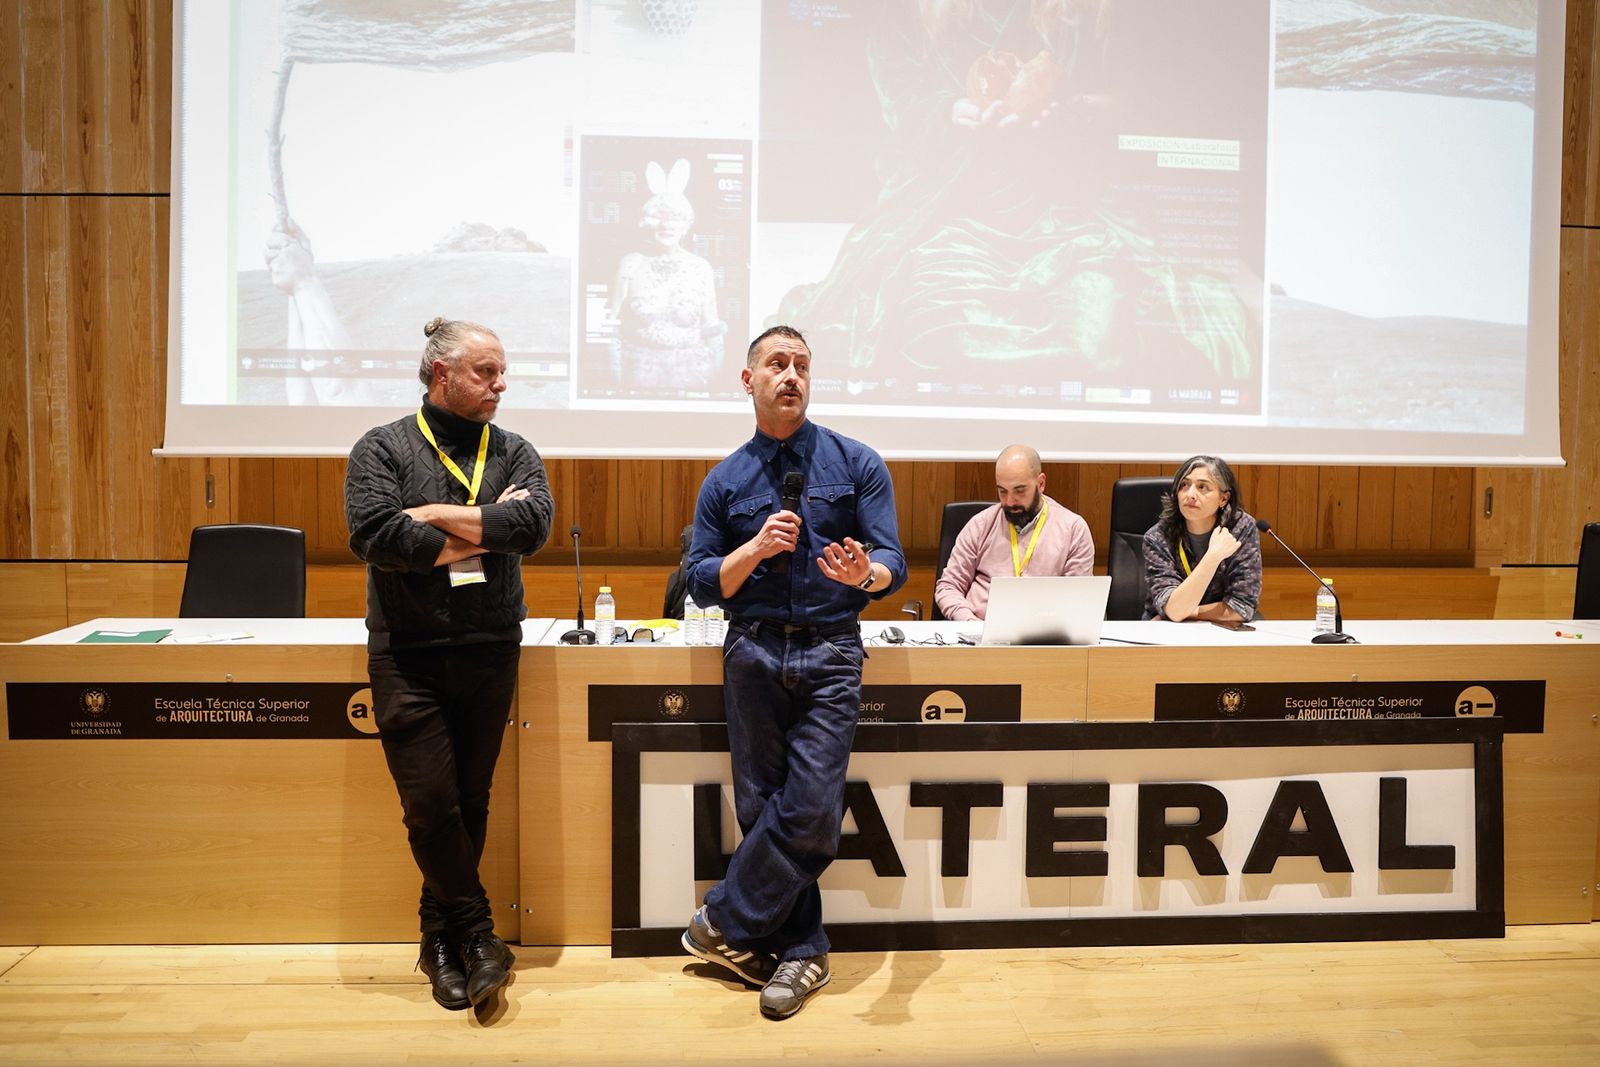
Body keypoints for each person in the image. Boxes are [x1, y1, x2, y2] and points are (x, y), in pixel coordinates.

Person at [681, 325, 906, 1020]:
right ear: (748, 379)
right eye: (777, 364)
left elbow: (892, 562)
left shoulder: (857, 462)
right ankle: (803, 952)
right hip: (751, 651)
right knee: (760, 809)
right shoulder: (725, 479)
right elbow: (701, 581)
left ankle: (720, 920)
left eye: (802, 365)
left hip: (832, 651)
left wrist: (863, 574)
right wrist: (753, 549)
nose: (792, 376)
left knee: (810, 812)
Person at [344, 317, 554, 1012]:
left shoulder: (514, 449)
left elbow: (532, 527)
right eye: (486, 372)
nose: (501, 384)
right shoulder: (381, 447)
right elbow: (380, 537)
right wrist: (487, 523)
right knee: (430, 806)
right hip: (408, 653)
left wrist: (434, 512)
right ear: (443, 373)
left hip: (490, 646)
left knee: (470, 800)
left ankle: (440, 940)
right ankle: (478, 932)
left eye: (501, 372)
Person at [934, 444, 1095, 621]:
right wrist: (969, 622)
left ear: (1041, 484)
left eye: (1020, 490)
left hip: (1045, 632)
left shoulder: (1073, 530)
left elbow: (1076, 599)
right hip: (980, 630)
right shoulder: (980, 525)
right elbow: (948, 587)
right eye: (1002, 491)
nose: (1010, 502)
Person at [608, 158, 727, 391]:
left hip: (692, 377)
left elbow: (712, 328)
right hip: (638, 378)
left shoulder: (700, 267)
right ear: (647, 222)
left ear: (686, 225)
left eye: (675, 218)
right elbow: (611, 328)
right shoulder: (631, 264)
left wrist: (716, 384)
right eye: (660, 218)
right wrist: (616, 379)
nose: (667, 226)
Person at [1141, 454, 1260, 623]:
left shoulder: (1241, 529)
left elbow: (1242, 607)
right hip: (1168, 630)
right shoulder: (1158, 537)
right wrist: (1213, 557)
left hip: (1221, 629)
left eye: (1202, 487)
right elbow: (1174, 611)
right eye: (1184, 485)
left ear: (1224, 498)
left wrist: (1191, 611)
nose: (1190, 494)